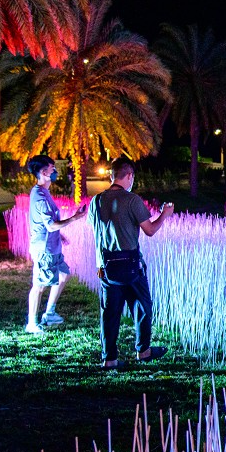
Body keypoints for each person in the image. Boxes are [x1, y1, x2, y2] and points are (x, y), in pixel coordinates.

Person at [88, 158, 174, 369]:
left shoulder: (95, 201)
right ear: (129, 176)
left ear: (111, 176)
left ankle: (109, 359)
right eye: (132, 177)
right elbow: (150, 230)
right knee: (143, 306)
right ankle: (143, 351)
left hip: (105, 266)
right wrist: (164, 214)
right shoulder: (132, 200)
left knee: (109, 313)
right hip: (130, 265)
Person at [25, 154, 87, 334]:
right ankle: (32, 323)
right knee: (39, 286)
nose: (55, 172)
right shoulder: (40, 196)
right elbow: (50, 225)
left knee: (63, 274)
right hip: (44, 249)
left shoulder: (44, 192)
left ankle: (49, 313)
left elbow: (50, 223)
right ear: (44, 172)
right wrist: (75, 218)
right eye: (52, 169)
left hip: (52, 246)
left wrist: (60, 236)